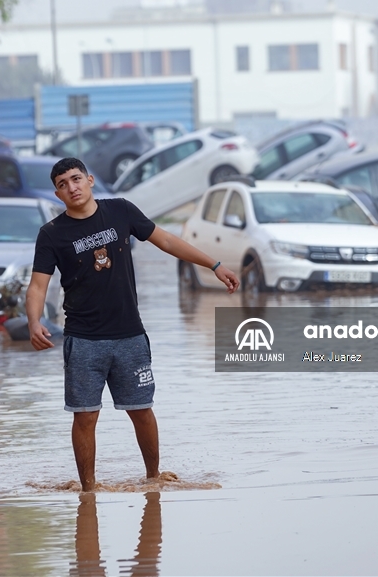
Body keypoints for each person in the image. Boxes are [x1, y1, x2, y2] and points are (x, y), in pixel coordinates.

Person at [25, 157, 239, 492]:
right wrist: (34, 321)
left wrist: (214, 264)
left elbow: (165, 240)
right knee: (85, 417)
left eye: (76, 179)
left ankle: (154, 478)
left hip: (130, 336)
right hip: (83, 340)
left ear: (90, 180)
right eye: (63, 184)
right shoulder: (52, 234)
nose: (72, 187)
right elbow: (38, 285)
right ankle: (88, 491)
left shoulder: (121, 210)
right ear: (57, 193)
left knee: (141, 411)